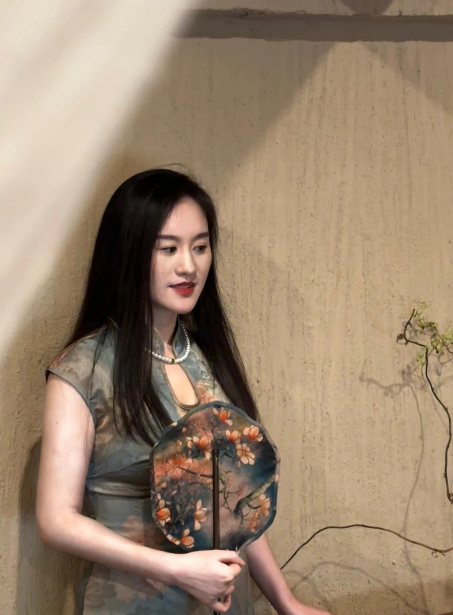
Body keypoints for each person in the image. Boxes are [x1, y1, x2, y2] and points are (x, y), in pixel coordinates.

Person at [36, 168, 332, 615]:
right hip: (135, 602)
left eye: (200, 246)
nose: (189, 266)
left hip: (227, 601)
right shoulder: (82, 369)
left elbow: (237, 502)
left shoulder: (208, 357)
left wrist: (286, 602)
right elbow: (56, 519)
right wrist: (177, 569)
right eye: (168, 248)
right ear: (129, 252)